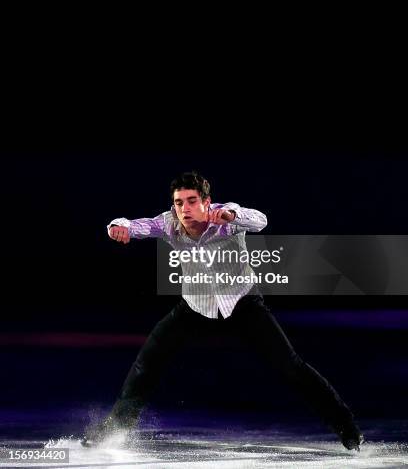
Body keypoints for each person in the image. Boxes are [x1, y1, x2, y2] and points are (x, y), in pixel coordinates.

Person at [81, 171, 364, 450]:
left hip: (242, 303)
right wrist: (117, 227)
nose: (184, 209)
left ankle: (347, 428)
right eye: (179, 203)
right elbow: (135, 224)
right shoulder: (169, 223)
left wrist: (232, 215)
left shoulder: (226, 218)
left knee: (291, 366)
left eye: (192, 201)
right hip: (195, 306)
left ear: (207, 201)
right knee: (146, 365)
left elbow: (260, 221)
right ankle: (114, 430)